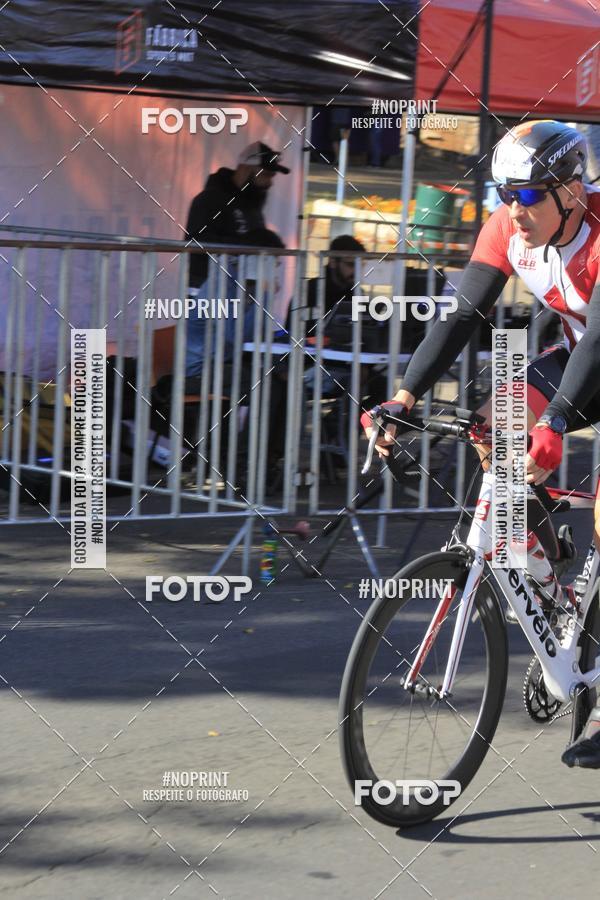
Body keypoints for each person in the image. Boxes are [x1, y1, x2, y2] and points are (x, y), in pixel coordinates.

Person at [361, 120, 600, 768]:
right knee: (496, 422)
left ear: (571, 192)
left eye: (526, 196)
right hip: (583, 360)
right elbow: (463, 314)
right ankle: (549, 578)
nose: (511, 210)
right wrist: (404, 398)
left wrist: (554, 427)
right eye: (503, 194)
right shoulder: (508, 227)